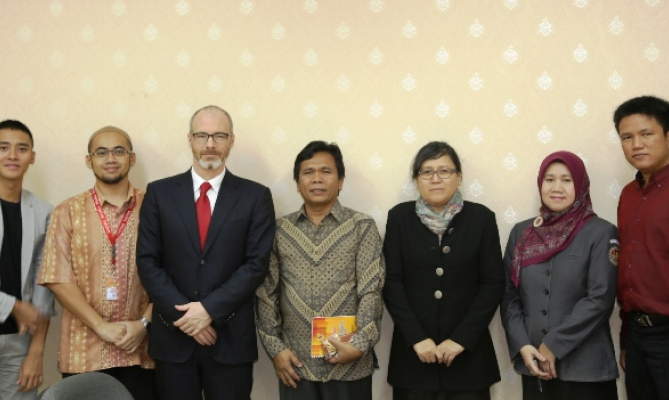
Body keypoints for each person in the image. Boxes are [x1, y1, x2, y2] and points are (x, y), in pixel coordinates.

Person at [136, 105, 275, 400]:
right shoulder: (159, 193)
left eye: (219, 136)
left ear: (231, 141)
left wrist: (209, 310)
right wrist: (189, 319)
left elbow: (256, 265)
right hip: (173, 338)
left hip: (230, 340)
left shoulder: (255, 196)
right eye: (202, 135)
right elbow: (148, 262)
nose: (210, 144)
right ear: (190, 139)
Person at [256, 140, 385, 400]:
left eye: (326, 171)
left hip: (350, 365)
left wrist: (359, 345)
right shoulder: (279, 230)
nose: (317, 179)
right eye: (308, 172)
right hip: (295, 365)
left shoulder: (361, 226)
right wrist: (275, 349)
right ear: (297, 182)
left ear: (340, 181)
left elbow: (372, 291)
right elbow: (266, 293)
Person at [38, 126, 156, 400]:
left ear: (132, 158)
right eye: (101, 153)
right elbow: (57, 276)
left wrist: (144, 324)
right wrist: (101, 326)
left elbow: (173, 273)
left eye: (119, 151)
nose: (110, 159)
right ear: (89, 160)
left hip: (140, 348)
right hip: (84, 351)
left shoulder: (154, 207)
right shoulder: (67, 211)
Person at [383, 141, 505, 400]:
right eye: (426, 172)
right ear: (416, 179)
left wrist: (461, 339)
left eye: (444, 171)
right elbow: (392, 282)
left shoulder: (482, 218)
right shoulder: (399, 218)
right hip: (413, 361)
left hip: (469, 362)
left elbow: (493, 283)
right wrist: (417, 338)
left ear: (459, 177)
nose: (435, 179)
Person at [500, 151, 619, 400]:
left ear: (581, 185)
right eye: (549, 179)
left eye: (567, 180)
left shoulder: (601, 232)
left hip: (587, 371)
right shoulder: (522, 233)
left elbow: (600, 298)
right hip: (534, 365)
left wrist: (553, 344)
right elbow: (509, 296)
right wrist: (523, 345)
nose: (557, 187)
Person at [614, 95, 669, 400]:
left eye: (646, 134)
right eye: (627, 137)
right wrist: (626, 339)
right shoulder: (628, 194)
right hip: (636, 334)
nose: (637, 144)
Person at [0, 120, 54, 400]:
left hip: (19, 342)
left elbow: (44, 284)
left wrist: (36, 351)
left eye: (21, 149)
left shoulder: (43, 211)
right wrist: (13, 306)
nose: (12, 155)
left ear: (32, 156)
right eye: (3, 147)